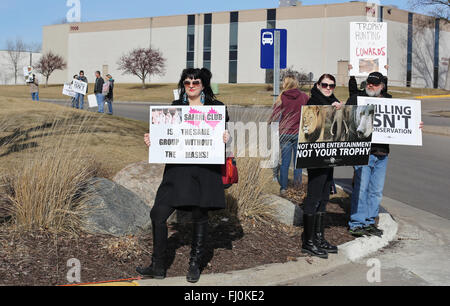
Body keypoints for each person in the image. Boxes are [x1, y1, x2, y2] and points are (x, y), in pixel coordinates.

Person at [136, 68, 230, 284]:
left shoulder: (216, 108)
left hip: (204, 171)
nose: (191, 86)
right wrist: (153, 140)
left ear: (203, 85)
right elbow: (165, 136)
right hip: (178, 172)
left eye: (195, 82)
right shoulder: (176, 107)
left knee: (199, 215)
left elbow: (223, 136)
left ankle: (194, 264)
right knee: (158, 214)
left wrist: (226, 136)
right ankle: (158, 265)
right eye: (187, 82)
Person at [346, 72, 423, 237]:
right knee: (361, 188)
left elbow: (403, 122)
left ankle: (369, 222)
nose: (370, 86)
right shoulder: (357, 99)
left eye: (374, 83)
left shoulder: (389, 101)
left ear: (382, 86)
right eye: (368, 82)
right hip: (363, 152)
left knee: (376, 191)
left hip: (382, 153)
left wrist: (416, 125)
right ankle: (357, 223)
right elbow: (344, 118)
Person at [301, 74, 343, 259]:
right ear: (318, 85)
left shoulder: (334, 102)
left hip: (329, 157)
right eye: (324, 84)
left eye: (331, 85)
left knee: (324, 196)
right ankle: (308, 242)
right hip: (316, 158)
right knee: (314, 196)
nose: (328, 88)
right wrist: (329, 109)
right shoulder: (313, 102)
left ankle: (318, 237)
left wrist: (340, 110)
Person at [269, 75, 309, 196]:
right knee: (298, 163)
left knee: (285, 162)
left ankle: (284, 188)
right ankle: (297, 188)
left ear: (286, 84)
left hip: (285, 133)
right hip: (299, 133)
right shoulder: (304, 96)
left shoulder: (282, 97)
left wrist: (271, 122)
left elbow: (275, 116)